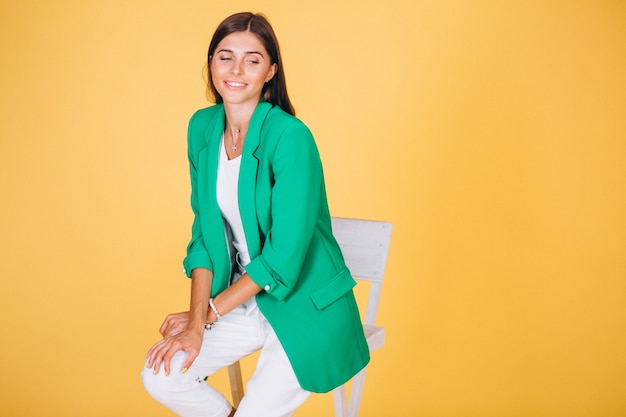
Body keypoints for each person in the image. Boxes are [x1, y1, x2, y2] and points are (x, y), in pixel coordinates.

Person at [141, 12, 369, 417]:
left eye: (253, 59)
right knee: (160, 375)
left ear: (271, 71)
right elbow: (205, 239)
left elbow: (283, 259)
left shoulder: (290, 137)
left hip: (305, 304)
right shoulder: (203, 127)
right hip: (243, 303)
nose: (237, 70)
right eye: (225, 57)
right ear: (211, 63)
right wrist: (196, 320)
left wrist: (206, 315)